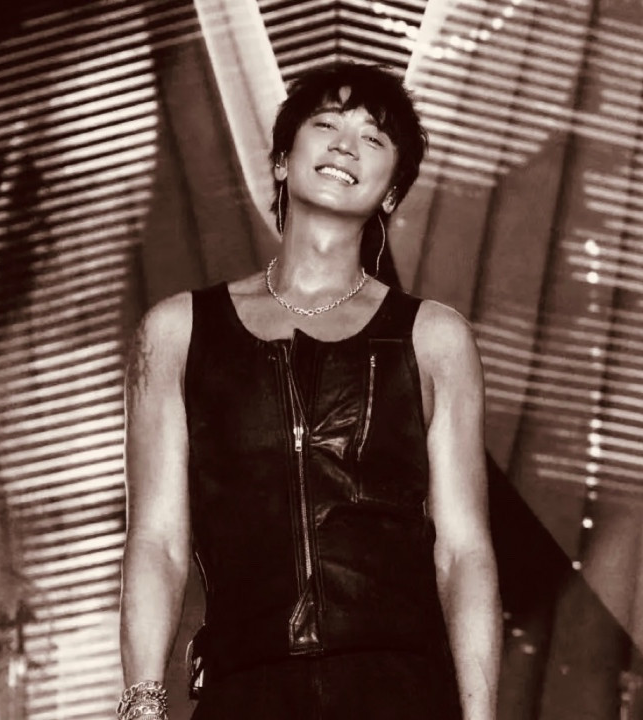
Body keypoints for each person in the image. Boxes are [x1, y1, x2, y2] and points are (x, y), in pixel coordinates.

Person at [119, 62, 502, 720]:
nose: (346, 145)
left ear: (391, 193)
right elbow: (157, 541)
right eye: (326, 124)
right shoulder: (177, 331)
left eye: (373, 137)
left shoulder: (435, 338)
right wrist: (142, 705)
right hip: (245, 690)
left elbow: (463, 553)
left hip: (399, 693)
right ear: (281, 160)